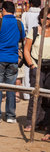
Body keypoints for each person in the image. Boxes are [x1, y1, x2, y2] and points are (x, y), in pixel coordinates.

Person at [23, 8, 50, 139]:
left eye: (48, 18)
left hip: (49, 67)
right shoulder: (34, 31)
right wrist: (32, 65)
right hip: (36, 65)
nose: (45, 20)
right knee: (35, 95)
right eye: (43, 18)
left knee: (47, 96)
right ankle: (30, 122)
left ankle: (44, 123)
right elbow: (26, 50)